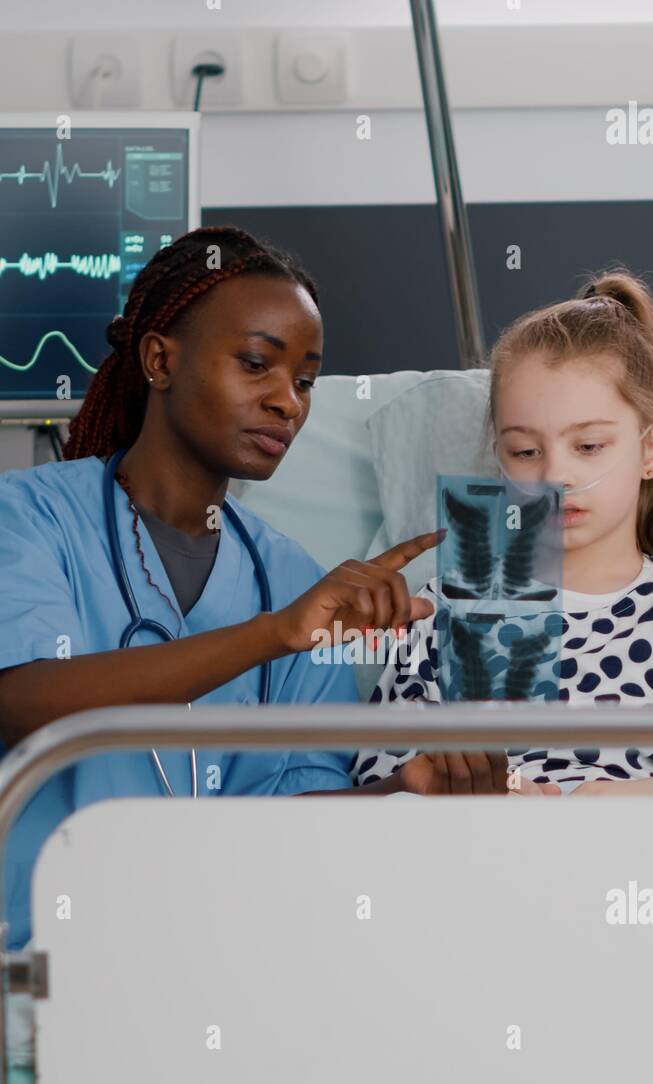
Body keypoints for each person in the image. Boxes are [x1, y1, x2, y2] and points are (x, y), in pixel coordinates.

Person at [0, 225, 505, 952]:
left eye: (303, 381)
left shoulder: (290, 577)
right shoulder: (32, 516)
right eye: (256, 364)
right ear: (159, 360)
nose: (288, 404)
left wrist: (402, 794)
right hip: (45, 956)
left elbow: (290, 817)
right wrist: (271, 634)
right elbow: (24, 706)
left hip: (216, 961)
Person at [353, 268, 653, 796]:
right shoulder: (452, 610)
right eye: (526, 452)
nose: (554, 476)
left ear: (651, 450)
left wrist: (609, 800)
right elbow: (379, 782)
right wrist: (479, 792)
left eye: (589, 446)